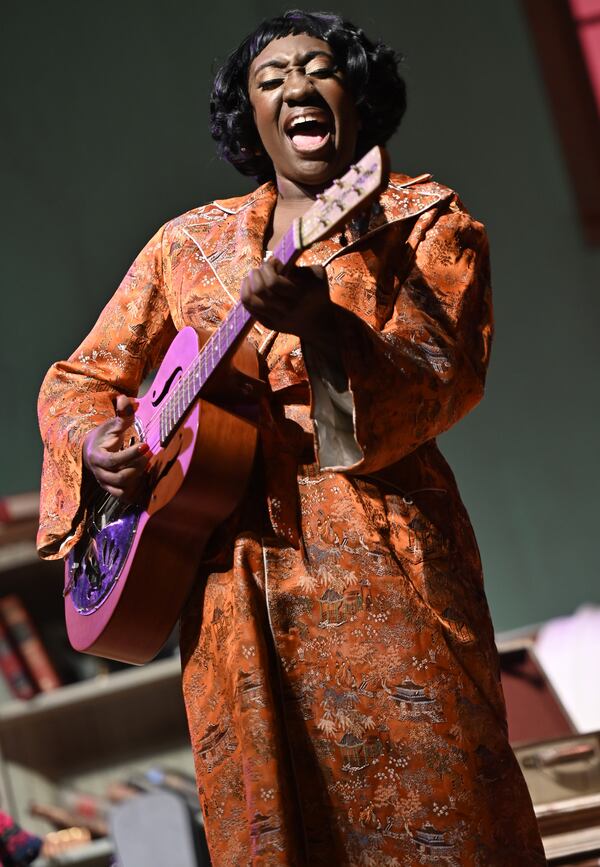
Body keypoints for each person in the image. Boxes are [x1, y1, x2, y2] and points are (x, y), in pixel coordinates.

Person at [37, 10, 546, 866]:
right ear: (250, 116)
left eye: (320, 70)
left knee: (437, 811)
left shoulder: (423, 220)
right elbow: (79, 381)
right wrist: (96, 443)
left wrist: (324, 328)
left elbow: (443, 375)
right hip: (226, 583)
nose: (296, 88)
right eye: (270, 79)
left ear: (357, 97)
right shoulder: (187, 245)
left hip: (379, 562)